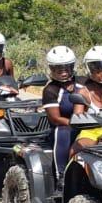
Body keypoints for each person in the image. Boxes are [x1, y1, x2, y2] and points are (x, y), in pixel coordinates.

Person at [39, 45, 85, 173]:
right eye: (58, 68)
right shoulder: (50, 90)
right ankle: (61, 174)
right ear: (51, 68)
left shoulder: (83, 81)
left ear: (72, 66)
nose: (63, 72)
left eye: (67, 67)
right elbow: (55, 118)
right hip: (65, 125)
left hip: (89, 123)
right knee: (63, 131)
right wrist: (74, 123)